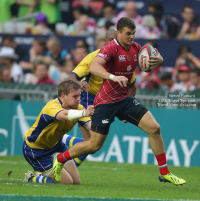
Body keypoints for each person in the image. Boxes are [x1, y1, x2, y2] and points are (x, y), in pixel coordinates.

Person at [52, 17, 186, 186]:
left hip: (124, 100)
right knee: (93, 145)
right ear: (119, 33)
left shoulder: (136, 48)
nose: (131, 37)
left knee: (155, 128)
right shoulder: (111, 48)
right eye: (128, 34)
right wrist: (113, 77)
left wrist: (159, 60)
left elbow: (147, 67)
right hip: (105, 103)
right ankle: (60, 158)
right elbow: (94, 67)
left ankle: (165, 172)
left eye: (134, 33)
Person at [22, 80, 95, 184]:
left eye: (79, 95)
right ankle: (31, 178)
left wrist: (102, 124)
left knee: (76, 182)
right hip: (36, 150)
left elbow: (90, 127)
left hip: (56, 146)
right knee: (67, 182)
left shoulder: (79, 109)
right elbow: (65, 115)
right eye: (75, 96)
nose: (79, 99)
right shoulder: (51, 107)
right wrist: (85, 112)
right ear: (63, 96)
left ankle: (58, 157)